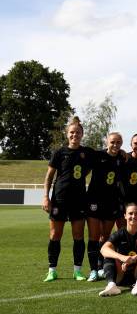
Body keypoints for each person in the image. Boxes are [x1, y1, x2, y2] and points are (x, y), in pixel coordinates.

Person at [42, 116, 97, 282]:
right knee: (55, 235)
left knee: (78, 235)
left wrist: (123, 152)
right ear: (67, 134)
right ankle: (52, 270)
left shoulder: (87, 153)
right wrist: (46, 197)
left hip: (79, 200)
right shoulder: (59, 153)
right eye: (72, 132)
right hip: (59, 199)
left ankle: (77, 271)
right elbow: (49, 177)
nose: (75, 135)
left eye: (78, 132)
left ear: (82, 134)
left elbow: (107, 154)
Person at [85, 132, 126, 282]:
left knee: (105, 237)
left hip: (112, 202)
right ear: (107, 142)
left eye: (118, 142)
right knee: (94, 237)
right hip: (94, 201)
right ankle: (93, 270)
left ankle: (102, 266)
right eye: (112, 142)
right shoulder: (97, 155)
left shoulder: (122, 158)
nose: (115, 145)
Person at [98, 203, 137, 296]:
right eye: (130, 213)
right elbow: (103, 249)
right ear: (125, 216)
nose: (133, 216)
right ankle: (112, 286)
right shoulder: (119, 233)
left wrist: (136, 257)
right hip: (121, 273)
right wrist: (121, 257)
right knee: (108, 255)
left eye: (136, 213)